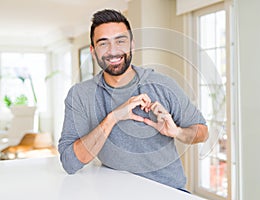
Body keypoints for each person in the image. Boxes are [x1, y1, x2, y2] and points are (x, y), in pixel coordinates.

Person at [58, 9, 208, 191]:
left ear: (132, 45)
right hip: (114, 192)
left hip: (168, 191)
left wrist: (177, 132)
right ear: (93, 51)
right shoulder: (81, 95)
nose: (113, 51)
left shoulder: (162, 85)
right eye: (103, 43)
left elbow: (202, 132)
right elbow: (69, 162)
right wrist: (112, 118)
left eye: (120, 41)